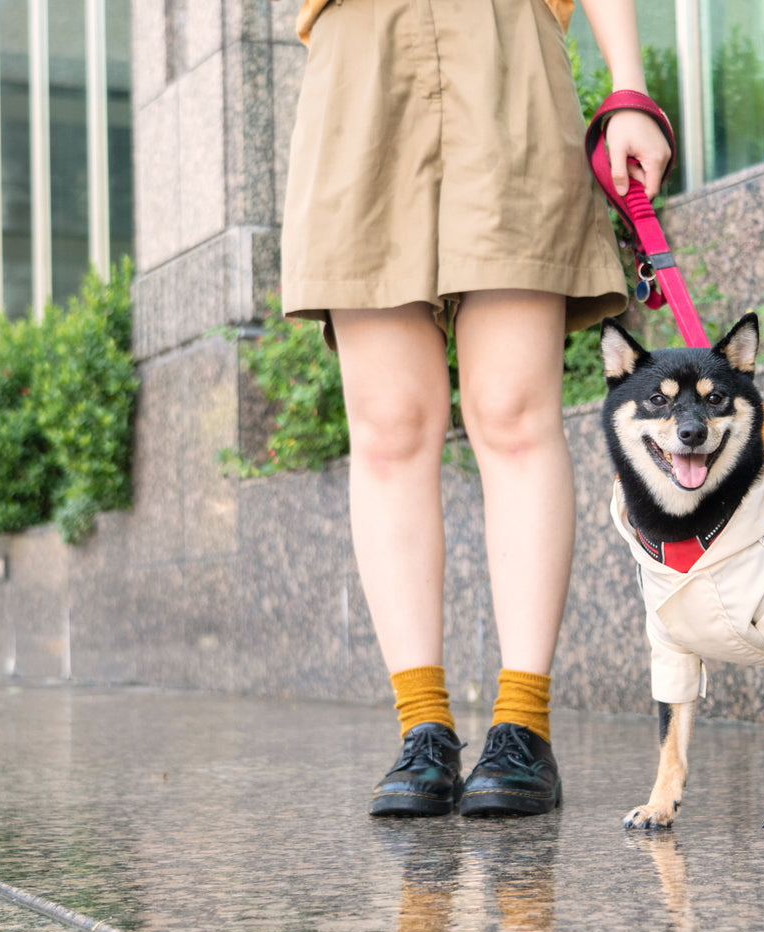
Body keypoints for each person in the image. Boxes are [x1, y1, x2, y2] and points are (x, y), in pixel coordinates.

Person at [276, 0, 672, 816]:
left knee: (513, 414)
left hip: (505, 44)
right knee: (388, 429)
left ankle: (522, 725)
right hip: (357, 53)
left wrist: (628, 88)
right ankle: (422, 726)